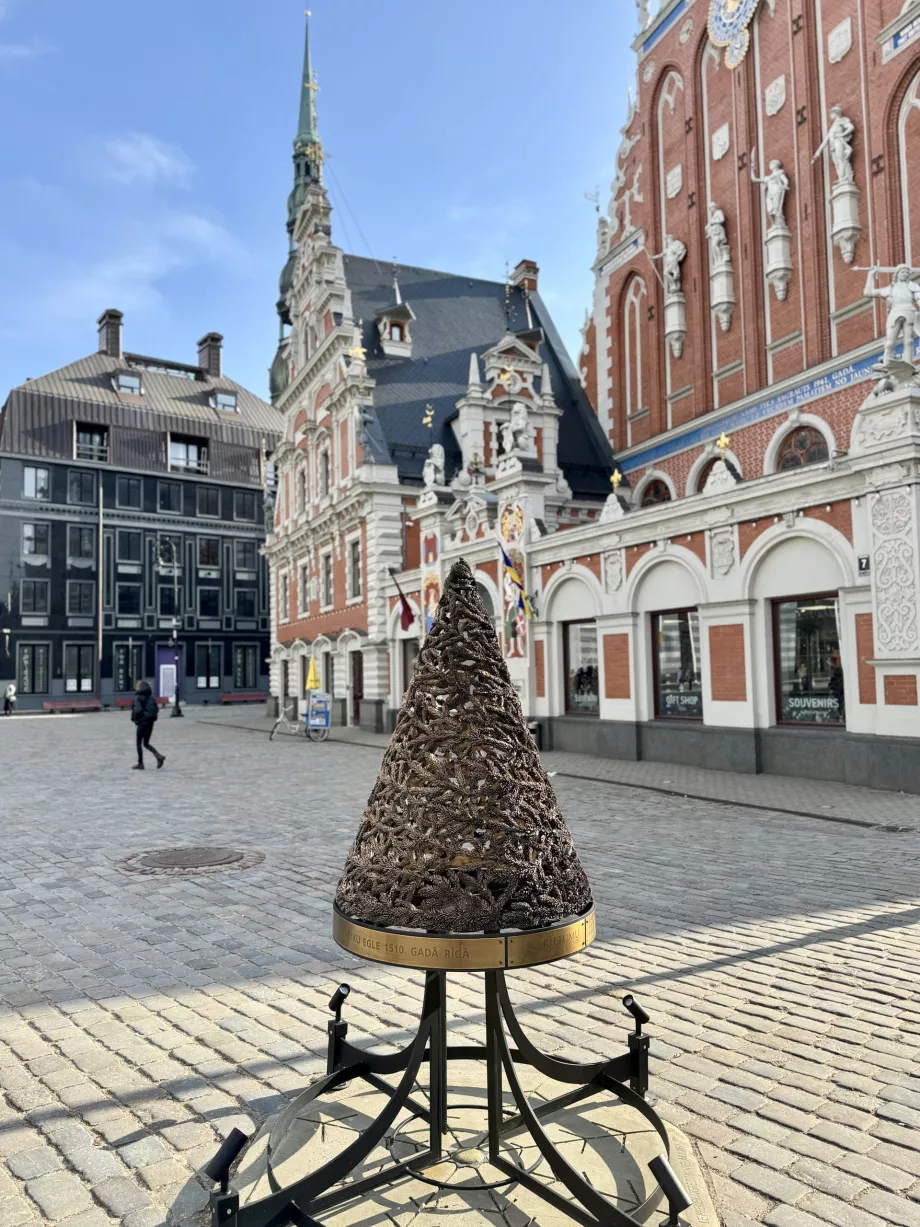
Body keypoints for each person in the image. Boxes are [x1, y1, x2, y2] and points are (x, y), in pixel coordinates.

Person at [131, 680, 165, 770]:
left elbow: (137, 710)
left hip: (142, 722)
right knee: (146, 743)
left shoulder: (138, 697)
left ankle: (140, 764)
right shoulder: (151, 697)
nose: (136, 687)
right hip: (150, 722)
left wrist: (136, 719)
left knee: (139, 743)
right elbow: (156, 709)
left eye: (137, 685)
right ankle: (158, 756)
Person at [828, 652, 845, 722]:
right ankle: (840, 715)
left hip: (839, 690)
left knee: (840, 703)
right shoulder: (835, 670)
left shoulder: (837, 670)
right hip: (838, 690)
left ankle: (841, 715)